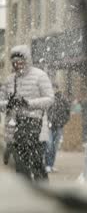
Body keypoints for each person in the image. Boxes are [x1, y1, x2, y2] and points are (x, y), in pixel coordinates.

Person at [0, 45, 54, 181]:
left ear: (27, 60)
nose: (17, 65)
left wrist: (28, 103)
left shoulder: (40, 76)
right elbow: (2, 103)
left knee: (36, 162)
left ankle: (43, 191)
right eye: (14, 63)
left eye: (20, 62)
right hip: (15, 128)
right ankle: (24, 193)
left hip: (34, 124)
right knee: (19, 165)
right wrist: (8, 104)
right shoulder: (10, 80)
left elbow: (50, 99)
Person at [45, 84, 71, 173]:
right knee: (49, 145)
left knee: (54, 147)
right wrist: (47, 121)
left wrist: (62, 122)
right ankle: (47, 165)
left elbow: (68, 112)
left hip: (59, 126)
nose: (53, 90)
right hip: (49, 126)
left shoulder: (63, 99)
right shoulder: (48, 98)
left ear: (57, 89)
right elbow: (44, 111)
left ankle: (51, 165)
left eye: (54, 88)